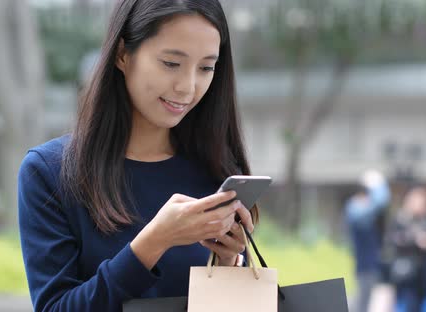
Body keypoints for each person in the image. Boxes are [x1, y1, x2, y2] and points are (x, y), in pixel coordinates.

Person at [17, 1, 255, 311]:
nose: (188, 87)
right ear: (122, 54)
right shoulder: (49, 172)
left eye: (206, 67)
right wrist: (155, 240)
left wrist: (227, 262)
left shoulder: (216, 170)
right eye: (171, 63)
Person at [343, 170, 390, 312]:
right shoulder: (355, 207)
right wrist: (378, 185)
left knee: (365, 301)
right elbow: (381, 201)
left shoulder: (364, 210)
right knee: (360, 302)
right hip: (362, 264)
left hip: (370, 263)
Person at [386, 185, 426, 312]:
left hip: (422, 274)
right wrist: (414, 238)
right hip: (405, 273)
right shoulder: (401, 219)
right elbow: (393, 240)